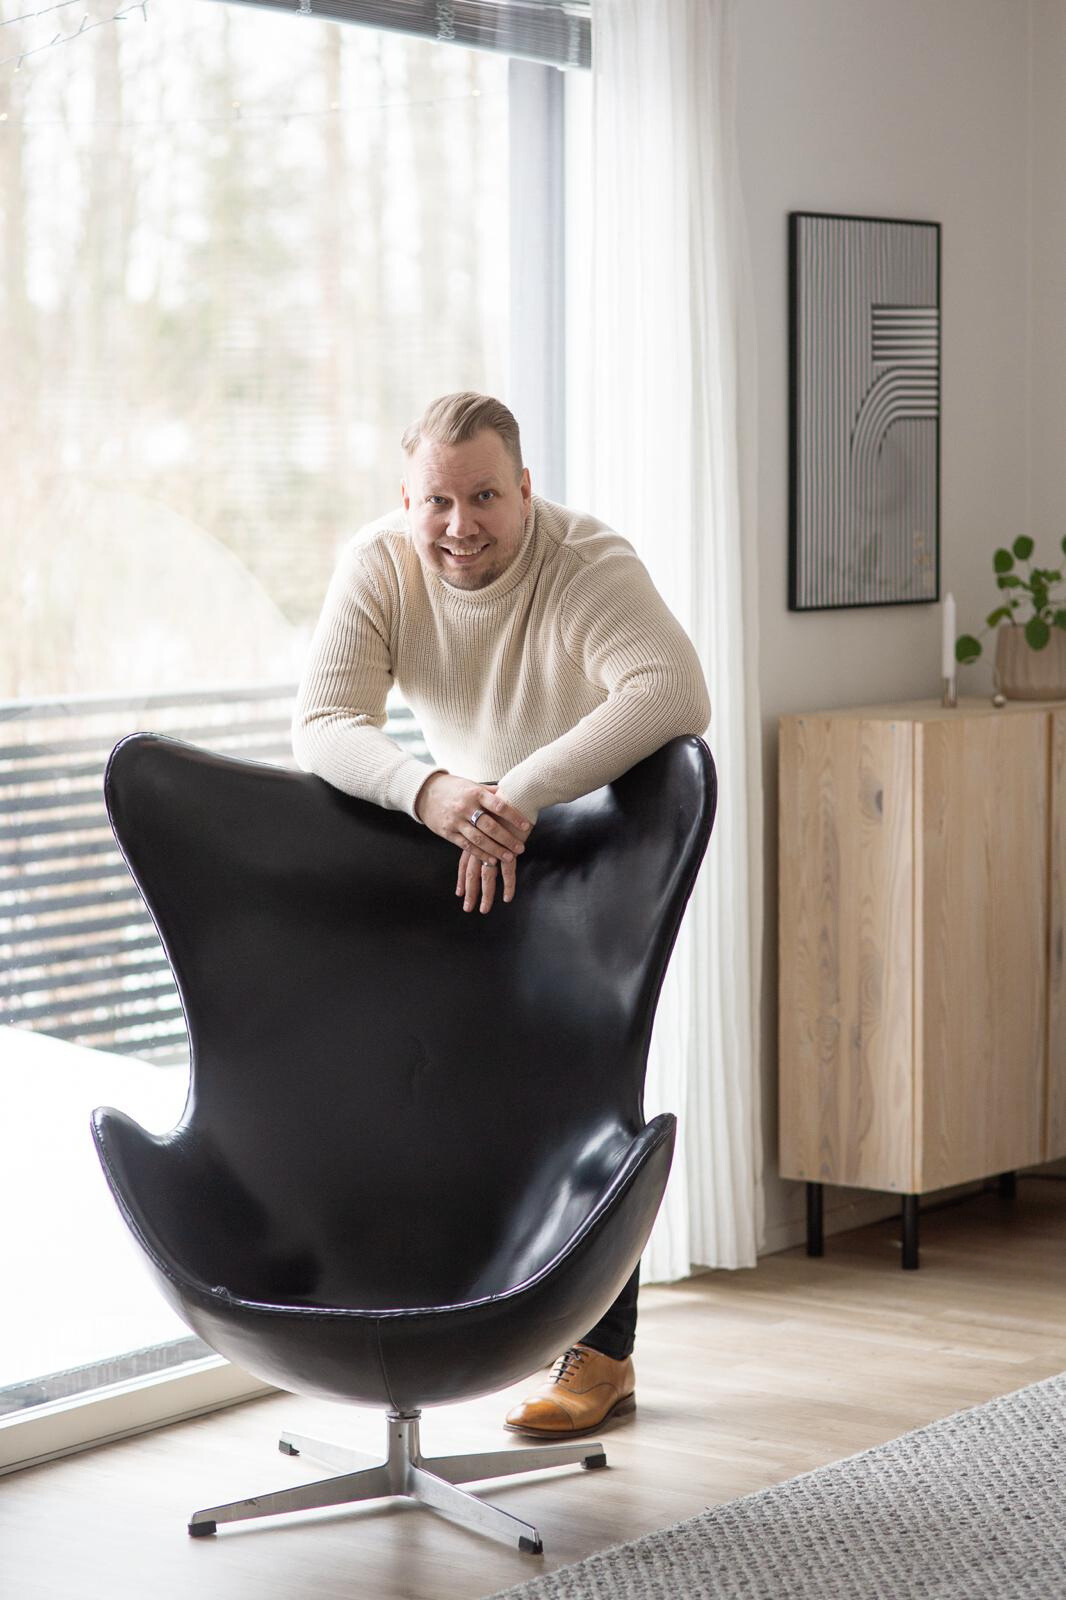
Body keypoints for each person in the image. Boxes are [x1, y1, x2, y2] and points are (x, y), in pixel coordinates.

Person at [292, 391, 710, 1436]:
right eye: (436, 500)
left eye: (485, 495)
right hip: (471, 827)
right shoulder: (381, 563)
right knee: (447, 1077)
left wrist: (519, 789)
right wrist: (430, 792)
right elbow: (322, 722)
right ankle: (456, 1317)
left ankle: (600, 1356)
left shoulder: (584, 561)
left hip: (602, 834)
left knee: (584, 1090)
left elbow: (672, 690)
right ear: (406, 499)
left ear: (524, 489)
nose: (459, 524)